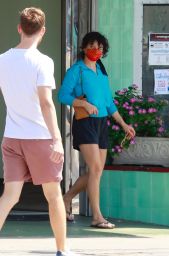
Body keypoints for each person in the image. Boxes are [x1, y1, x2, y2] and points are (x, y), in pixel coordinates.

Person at [0, 7, 77, 256]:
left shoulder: (2, 59)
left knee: (9, 196)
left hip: (11, 136)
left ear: (20, 28)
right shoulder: (43, 61)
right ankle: (62, 250)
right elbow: (46, 102)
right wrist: (57, 139)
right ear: (42, 31)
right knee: (53, 196)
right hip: (40, 138)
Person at [58, 31, 135, 228]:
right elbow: (62, 95)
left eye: (100, 47)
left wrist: (124, 124)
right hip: (85, 123)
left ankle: (66, 198)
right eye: (92, 46)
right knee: (95, 169)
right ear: (84, 48)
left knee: (97, 171)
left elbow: (109, 103)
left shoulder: (101, 71)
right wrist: (82, 104)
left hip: (101, 124)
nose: (96, 50)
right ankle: (97, 217)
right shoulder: (76, 70)